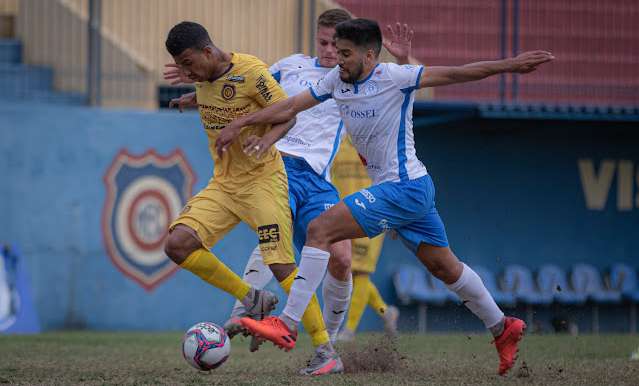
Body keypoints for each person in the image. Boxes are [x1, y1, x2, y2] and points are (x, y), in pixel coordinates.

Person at [217, 18, 554, 376]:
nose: (337, 59)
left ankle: (287, 323)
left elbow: (457, 74)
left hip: (404, 187)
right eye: (333, 49)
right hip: (409, 191)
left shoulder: (395, 76)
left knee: (320, 229)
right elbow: (290, 107)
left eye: (345, 53)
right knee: (444, 266)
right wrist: (239, 123)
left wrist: (511, 65)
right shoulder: (336, 80)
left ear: (370, 54)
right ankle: (503, 328)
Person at [165, 10, 416, 375]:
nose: (330, 51)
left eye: (338, 45)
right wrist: (194, 94)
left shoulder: (353, 78)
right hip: (265, 169)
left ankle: (325, 341)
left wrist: (404, 59)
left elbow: (401, 90)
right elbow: (237, 87)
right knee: (261, 248)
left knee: (339, 260)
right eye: (324, 42)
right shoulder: (289, 67)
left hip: (306, 175)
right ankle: (251, 307)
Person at [162, 22, 333, 373]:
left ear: (208, 52)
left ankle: (325, 350)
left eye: (189, 63)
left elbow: (288, 114)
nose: (187, 71)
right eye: (181, 66)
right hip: (224, 184)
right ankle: (252, 297)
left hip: (262, 182)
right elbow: (219, 98)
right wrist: (191, 97)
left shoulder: (251, 72)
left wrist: (265, 140)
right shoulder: (203, 77)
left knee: (281, 264)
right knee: (177, 244)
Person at [331, 136, 399, 342]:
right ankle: (386, 312)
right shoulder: (335, 137)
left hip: (371, 212)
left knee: (359, 271)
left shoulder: (375, 138)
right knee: (347, 271)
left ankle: (349, 330)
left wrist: (395, 215)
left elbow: (392, 177)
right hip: (340, 213)